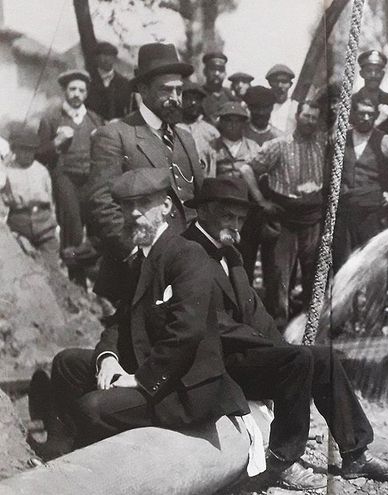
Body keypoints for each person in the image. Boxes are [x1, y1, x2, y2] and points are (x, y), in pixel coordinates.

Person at [181, 176, 388, 489]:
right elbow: (208, 322)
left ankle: (355, 453)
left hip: (242, 351)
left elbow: (255, 311)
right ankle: (282, 460)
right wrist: (275, 351)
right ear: (204, 211)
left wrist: (280, 345)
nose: (235, 226)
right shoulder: (187, 252)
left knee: (322, 358)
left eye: (239, 219)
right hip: (212, 361)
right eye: (228, 217)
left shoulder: (229, 251)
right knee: (298, 361)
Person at [28, 168, 248, 460]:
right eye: (126, 205)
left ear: (165, 206)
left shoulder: (187, 254)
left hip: (182, 387)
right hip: (148, 363)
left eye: (144, 203)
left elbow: (187, 332)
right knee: (67, 364)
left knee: (92, 407)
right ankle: (58, 448)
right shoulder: (141, 258)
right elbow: (120, 321)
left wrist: (140, 379)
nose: (133, 213)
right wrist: (108, 358)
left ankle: (92, 462)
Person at [86, 42, 205, 302]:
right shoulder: (116, 135)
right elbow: (102, 204)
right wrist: (134, 255)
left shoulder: (186, 138)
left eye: (179, 90)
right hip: (137, 272)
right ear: (143, 90)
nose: (175, 98)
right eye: (166, 90)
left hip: (186, 268)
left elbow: (198, 199)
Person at [248, 101, 327, 326]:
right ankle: (279, 323)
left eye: (314, 118)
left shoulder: (321, 146)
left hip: (312, 218)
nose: (310, 121)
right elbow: (248, 169)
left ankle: (310, 323)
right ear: (297, 116)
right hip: (284, 219)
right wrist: (261, 201)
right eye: (306, 116)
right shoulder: (279, 145)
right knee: (280, 275)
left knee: (313, 272)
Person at [37, 69, 105, 286]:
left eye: (81, 90)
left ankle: (95, 282)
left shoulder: (95, 119)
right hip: (64, 178)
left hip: (91, 181)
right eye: (73, 89)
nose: (77, 94)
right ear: (65, 91)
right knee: (72, 230)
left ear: (86, 93)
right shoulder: (51, 118)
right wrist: (56, 143)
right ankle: (76, 283)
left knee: (97, 229)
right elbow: (38, 154)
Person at [335, 94, 388, 266]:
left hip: (372, 215)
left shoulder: (385, 141)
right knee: (342, 264)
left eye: (370, 114)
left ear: (376, 115)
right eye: (361, 113)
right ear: (353, 114)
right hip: (345, 215)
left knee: (371, 264)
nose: (365, 118)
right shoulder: (341, 139)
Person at [1, 126, 58, 256]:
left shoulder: (41, 171)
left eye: (31, 150)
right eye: (23, 149)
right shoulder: (6, 172)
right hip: (19, 227)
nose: (27, 154)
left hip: (44, 227)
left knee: (51, 262)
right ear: (14, 149)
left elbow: (50, 201)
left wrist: (53, 226)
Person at [179, 80, 220, 175]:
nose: (193, 103)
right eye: (188, 98)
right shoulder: (170, 128)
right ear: (181, 100)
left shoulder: (211, 132)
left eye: (197, 99)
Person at [210, 101, 261, 179]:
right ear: (221, 122)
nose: (233, 125)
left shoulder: (253, 147)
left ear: (244, 123)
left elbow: (260, 173)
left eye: (238, 121)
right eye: (228, 120)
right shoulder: (211, 146)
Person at [85, 41, 132, 121]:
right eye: (103, 55)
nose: (107, 59)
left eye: (110, 55)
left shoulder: (124, 83)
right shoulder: (88, 82)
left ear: (115, 59)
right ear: (96, 58)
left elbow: (131, 110)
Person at [354, 50, 388, 125]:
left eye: (377, 71)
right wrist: (380, 121)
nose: (373, 75)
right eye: (368, 71)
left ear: (383, 74)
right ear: (361, 73)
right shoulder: (352, 102)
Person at [200, 51, 234, 124]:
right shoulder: (198, 94)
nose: (216, 73)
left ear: (225, 73)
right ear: (205, 72)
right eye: (213, 69)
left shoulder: (229, 95)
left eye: (220, 70)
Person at [266, 64, 298, 133]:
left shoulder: (296, 108)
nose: (280, 85)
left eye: (284, 81)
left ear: (290, 84)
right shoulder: (262, 106)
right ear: (270, 83)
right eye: (275, 81)